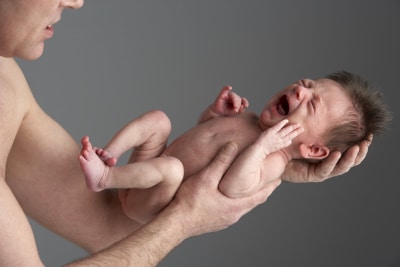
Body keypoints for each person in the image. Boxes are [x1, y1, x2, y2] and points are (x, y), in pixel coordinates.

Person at [0, 0, 372, 266]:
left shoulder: (7, 82)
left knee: (158, 122)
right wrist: (185, 218)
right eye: (306, 85)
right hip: (161, 179)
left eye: (312, 104)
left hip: (151, 183)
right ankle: (109, 171)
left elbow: (106, 228)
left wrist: (275, 166)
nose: (77, 2)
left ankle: (107, 162)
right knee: (169, 167)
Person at [79, 71, 390, 222]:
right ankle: (110, 155)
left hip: (151, 201)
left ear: (313, 150)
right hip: (147, 171)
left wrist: (263, 145)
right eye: (306, 84)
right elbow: (202, 134)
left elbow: (232, 185)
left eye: (311, 103)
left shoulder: (274, 161)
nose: (300, 90)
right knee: (159, 120)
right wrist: (216, 114)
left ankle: (105, 179)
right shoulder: (252, 119)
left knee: (172, 169)